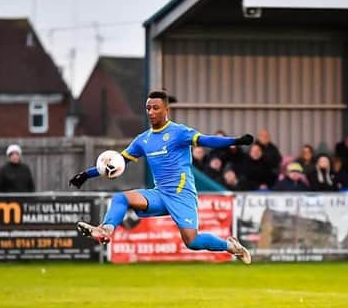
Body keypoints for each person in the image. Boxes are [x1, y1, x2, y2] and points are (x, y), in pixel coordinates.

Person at [69, 90, 253, 264]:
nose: (151, 112)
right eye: (148, 108)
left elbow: (206, 140)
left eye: (155, 108)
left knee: (192, 241)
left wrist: (235, 141)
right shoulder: (143, 140)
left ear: (166, 110)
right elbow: (115, 163)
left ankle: (231, 247)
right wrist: (86, 174)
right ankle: (105, 229)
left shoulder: (179, 132)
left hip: (182, 194)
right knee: (120, 198)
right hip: (160, 194)